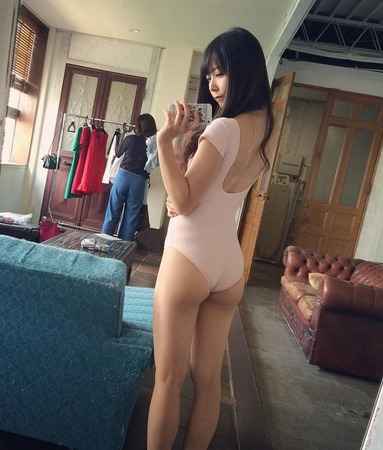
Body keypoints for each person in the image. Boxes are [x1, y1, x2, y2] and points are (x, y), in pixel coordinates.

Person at [147, 28, 278, 449]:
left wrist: (165, 141)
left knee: (168, 380)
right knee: (208, 383)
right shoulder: (268, 129)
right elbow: (210, 192)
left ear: (244, 70)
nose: (213, 84)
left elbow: (184, 201)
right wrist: (182, 181)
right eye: (209, 76)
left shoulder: (222, 129)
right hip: (229, 265)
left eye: (220, 73)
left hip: (189, 258)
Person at [101, 113, 158, 241]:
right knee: (131, 217)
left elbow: (117, 152)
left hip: (123, 177)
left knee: (112, 211)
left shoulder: (130, 139)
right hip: (140, 180)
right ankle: (123, 247)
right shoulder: (154, 144)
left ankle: (103, 243)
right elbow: (155, 164)